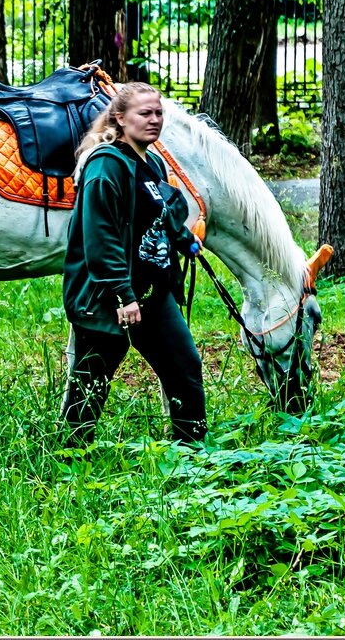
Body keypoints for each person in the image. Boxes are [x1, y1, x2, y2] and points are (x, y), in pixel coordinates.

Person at [60, 82, 206, 446]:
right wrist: (123, 295)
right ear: (120, 118)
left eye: (159, 113)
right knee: (91, 383)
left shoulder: (152, 161)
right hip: (109, 298)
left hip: (153, 294)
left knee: (184, 366)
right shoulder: (106, 165)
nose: (154, 120)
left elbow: (161, 213)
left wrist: (185, 238)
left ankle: (193, 452)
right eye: (145, 113)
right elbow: (100, 235)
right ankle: (71, 457)